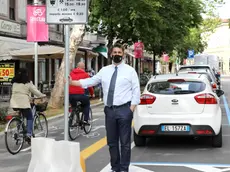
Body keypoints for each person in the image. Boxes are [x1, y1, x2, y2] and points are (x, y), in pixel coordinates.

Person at [68, 43, 140, 172]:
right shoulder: (105, 70)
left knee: (125, 143)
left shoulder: (130, 71)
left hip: (125, 110)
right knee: (112, 142)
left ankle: (124, 169)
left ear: (123, 54)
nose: (117, 54)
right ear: (111, 54)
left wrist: (131, 108)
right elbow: (91, 81)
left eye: (119, 52)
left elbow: (136, 90)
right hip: (110, 111)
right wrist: (72, 82)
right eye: (115, 52)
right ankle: (115, 167)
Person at [10, 68, 46, 140]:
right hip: (23, 103)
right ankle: (29, 134)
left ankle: (19, 129)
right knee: (30, 117)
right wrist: (43, 95)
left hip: (14, 103)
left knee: (20, 116)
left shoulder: (14, 83)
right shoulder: (28, 83)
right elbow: (36, 92)